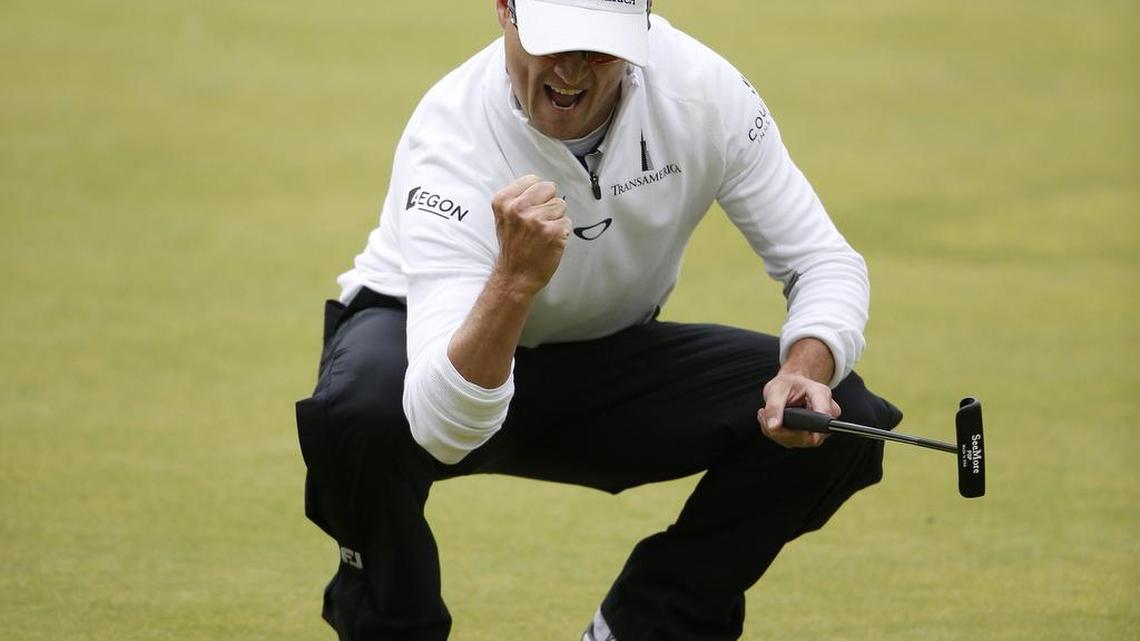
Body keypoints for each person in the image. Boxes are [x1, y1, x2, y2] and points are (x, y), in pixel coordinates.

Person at [295, 1, 902, 639]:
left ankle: (642, 626)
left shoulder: (702, 91)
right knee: (357, 412)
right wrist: (513, 282)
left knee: (840, 416)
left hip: (603, 360)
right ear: (504, 10)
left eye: (599, 46)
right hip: (431, 352)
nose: (572, 70)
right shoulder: (450, 135)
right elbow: (444, 429)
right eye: (555, 41)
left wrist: (804, 370)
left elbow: (822, 260)